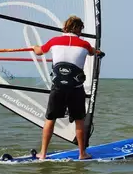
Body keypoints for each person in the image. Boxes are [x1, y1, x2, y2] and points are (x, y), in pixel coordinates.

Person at [31, 15, 104, 160]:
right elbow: (92, 52)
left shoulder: (54, 41)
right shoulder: (84, 44)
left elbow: (40, 51)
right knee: (79, 120)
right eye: (80, 29)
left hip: (58, 87)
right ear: (76, 28)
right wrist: (99, 52)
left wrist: (34, 47)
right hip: (76, 88)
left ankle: (43, 154)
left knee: (50, 119)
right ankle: (82, 154)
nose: (81, 32)